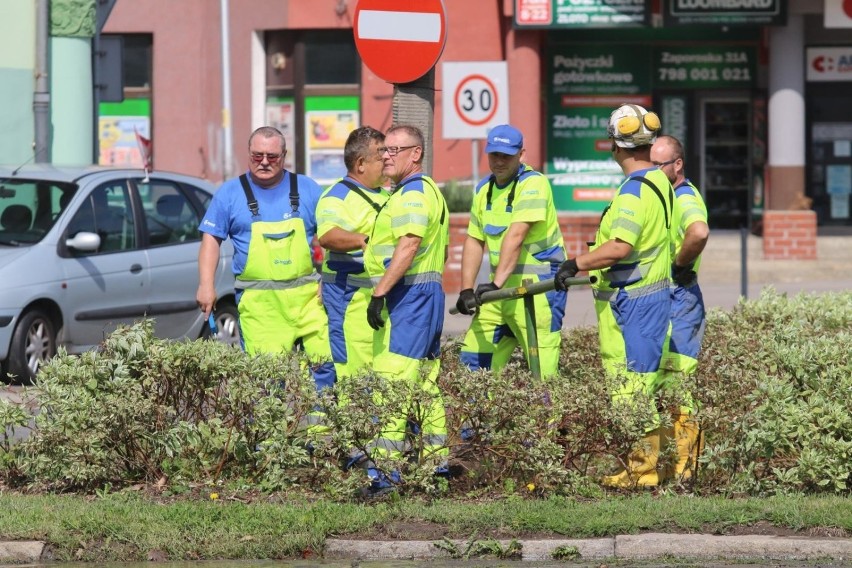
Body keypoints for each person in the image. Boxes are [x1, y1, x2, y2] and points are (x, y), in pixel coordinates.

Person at [554, 103, 673, 488]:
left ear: (614, 146)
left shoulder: (633, 193)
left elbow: (620, 247)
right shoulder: (658, 182)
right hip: (646, 300)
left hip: (632, 305)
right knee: (639, 387)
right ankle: (644, 466)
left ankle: (643, 471)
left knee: (631, 389)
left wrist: (577, 262)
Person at [196, 126, 335, 395]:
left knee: (324, 369)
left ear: (284, 156)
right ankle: (268, 440)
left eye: (272, 157)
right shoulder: (229, 193)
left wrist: (328, 276)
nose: (264, 162)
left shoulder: (307, 189)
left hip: (309, 302)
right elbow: (210, 241)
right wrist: (206, 285)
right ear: (248, 154)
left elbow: (330, 236)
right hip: (260, 307)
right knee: (266, 383)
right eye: (257, 155)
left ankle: (320, 435)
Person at [362, 124, 450, 488]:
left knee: (392, 383)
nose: (386, 156)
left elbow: (409, 244)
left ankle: (383, 475)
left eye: (395, 150)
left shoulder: (412, 194)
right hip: (420, 294)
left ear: (416, 154)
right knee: (425, 385)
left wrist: (380, 292)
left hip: (408, 296)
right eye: (384, 150)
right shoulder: (419, 190)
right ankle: (436, 466)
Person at [455, 124, 567, 379]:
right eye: (495, 154)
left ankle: (549, 420)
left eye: (506, 155)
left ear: (522, 155)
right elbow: (474, 239)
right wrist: (465, 289)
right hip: (501, 290)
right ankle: (474, 420)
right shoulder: (484, 190)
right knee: (473, 364)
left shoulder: (534, 184)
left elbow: (516, 235)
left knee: (543, 375)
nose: (499, 161)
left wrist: (495, 283)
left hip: (537, 291)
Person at [651, 134, 710, 482]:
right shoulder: (666, 195)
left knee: (678, 383)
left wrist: (679, 264)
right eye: (651, 163)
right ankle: (671, 464)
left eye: (662, 164)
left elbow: (699, 232)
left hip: (681, 298)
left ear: (678, 165)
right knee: (663, 384)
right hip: (669, 298)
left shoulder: (684, 197)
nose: (656, 170)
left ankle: (686, 469)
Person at [316, 126, 389, 379]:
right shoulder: (336, 196)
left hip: (378, 297)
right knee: (354, 376)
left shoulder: (387, 195)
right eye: (381, 157)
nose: (387, 160)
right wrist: (361, 239)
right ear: (360, 164)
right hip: (348, 299)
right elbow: (327, 236)